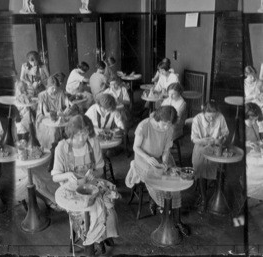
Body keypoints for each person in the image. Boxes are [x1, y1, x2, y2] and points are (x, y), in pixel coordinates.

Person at [51, 114, 119, 256]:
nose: (82, 139)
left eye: (85, 133)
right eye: (78, 135)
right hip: (72, 191)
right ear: (71, 132)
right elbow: (55, 176)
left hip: (91, 186)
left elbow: (100, 169)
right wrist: (67, 175)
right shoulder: (62, 147)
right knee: (92, 212)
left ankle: (100, 236)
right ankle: (93, 240)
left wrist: (94, 172)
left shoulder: (93, 143)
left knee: (109, 209)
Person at [128, 105, 189, 235]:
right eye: (164, 124)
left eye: (169, 125)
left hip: (160, 158)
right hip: (144, 160)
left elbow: (166, 150)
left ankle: (178, 221)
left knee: (174, 182)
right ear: (158, 118)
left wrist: (165, 162)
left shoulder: (168, 129)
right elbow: (136, 147)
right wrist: (147, 157)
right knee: (158, 185)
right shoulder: (144, 126)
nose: (167, 127)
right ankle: (166, 221)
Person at [191, 101, 229, 214]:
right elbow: (194, 139)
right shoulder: (197, 119)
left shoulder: (220, 117)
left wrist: (222, 138)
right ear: (203, 113)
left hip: (216, 147)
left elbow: (225, 133)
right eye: (209, 117)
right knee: (201, 167)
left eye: (214, 116)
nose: (212, 119)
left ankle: (216, 196)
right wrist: (206, 140)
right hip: (201, 146)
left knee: (218, 166)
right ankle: (203, 198)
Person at [36, 76, 71, 151]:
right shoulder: (42, 95)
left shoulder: (60, 92)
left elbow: (68, 104)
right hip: (47, 117)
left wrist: (65, 111)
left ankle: (65, 148)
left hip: (59, 116)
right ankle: (53, 149)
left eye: (55, 88)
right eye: (52, 88)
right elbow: (45, 112)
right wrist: (56, 114)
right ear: (47, 87)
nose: (54, 90)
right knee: (53, 131)